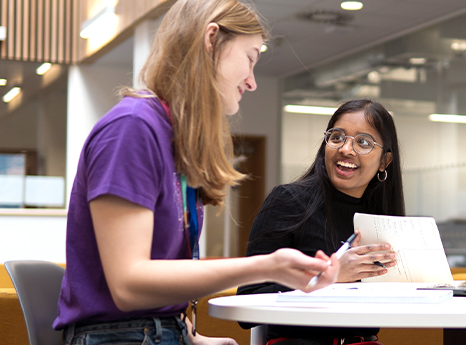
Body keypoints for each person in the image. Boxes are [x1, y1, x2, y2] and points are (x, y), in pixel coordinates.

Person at [53, 1, 340, 345]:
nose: (252, 82)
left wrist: (197, 339)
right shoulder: (132, 128)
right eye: (249, 58)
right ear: (212, 40)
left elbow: (157, 291)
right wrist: (266, 266)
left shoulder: (173, 141)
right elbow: (129, 285)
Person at [237, 99, 405, 345]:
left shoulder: (383, 219)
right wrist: (331, 278)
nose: (346, 149)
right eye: (337, 137)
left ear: (384, 162)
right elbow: (247, 300)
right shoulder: (288, 201)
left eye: (364, 142)